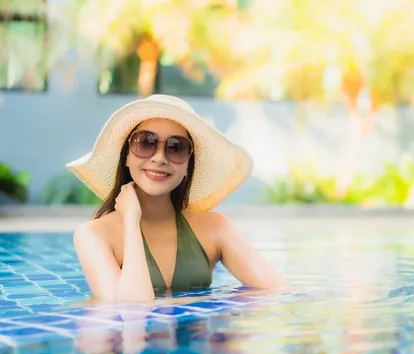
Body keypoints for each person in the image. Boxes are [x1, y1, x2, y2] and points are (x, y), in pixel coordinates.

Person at [67, 94, 289, 303]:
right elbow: (132, 313)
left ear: (187, 167)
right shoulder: (93, 235)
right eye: (145, 143)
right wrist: (131, 222)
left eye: (176, 148)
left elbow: (278, 290)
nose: (160, 158)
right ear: (126, 156)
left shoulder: (214, 228)